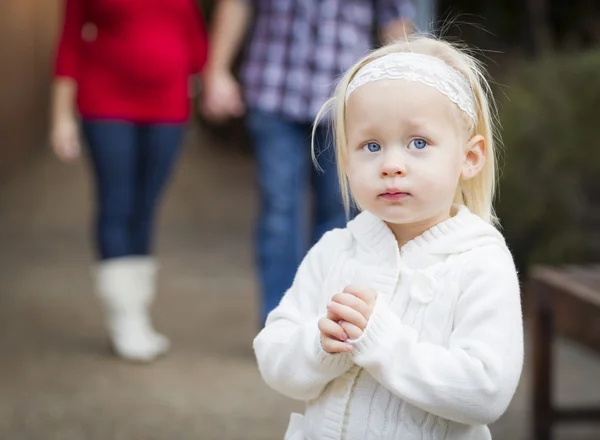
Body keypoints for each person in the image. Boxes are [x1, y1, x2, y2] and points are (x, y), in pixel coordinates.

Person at [253, 35, 524, 439]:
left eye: (419, 143)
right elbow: (274, 355)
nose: (391, 164)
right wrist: (319, 346)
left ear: (469, 157)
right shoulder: (335, 250)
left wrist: (381, 341)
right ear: (345, 162)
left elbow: (486, 392)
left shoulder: (479, 260)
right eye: (371, 145)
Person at [202, 0, 415, 326]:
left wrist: (406, 91)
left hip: (345, 104)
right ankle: (280, 321)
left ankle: (327, 317)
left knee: (341, 213)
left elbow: (395, 22)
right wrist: (216, 71)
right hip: (274, 93)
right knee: (279, 211)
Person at [50, 0, 208, 362]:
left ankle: (138, 309)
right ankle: (125, 316)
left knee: (146, 206)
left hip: (169, 107)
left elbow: (195, 40)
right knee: (116, 204)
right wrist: (61, 117)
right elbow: (69, 42)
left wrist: (207, 80)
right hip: (106, 103)